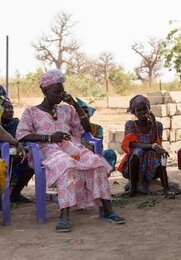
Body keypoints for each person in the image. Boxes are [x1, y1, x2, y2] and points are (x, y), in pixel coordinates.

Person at [16, 69, 125, 232]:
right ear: (45, 91)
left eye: (63, 91)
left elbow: (87, 128)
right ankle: (64, 215)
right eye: (56, 91)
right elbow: (21, 135)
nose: (61, 95)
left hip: (72, 147)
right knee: (67, 165)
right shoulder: (31, 111)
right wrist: (49, 138)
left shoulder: (67, 110)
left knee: (96, 161)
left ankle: (108, 210)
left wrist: (74, 104)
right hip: (47, 151)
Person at [118, 94, 174, 198]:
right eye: (139, 110)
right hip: (134, 163)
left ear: (149, 109)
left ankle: (167, 188)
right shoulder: (130, 125)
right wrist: (152, 146)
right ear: (134, 112)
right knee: (137, 151)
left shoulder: (158, 125)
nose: (143, 112)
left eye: (145, 109)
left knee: (162, 155)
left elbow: (154, 141)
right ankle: (133, 188)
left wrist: (153, 123)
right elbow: (133, 144)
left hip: (152, 165)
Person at [0, 91, 34, 203]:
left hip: (18, 155)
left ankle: (15, 193)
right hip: (4, 155)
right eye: (6, 108)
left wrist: (20, 146)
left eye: (12, 108)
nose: (10, 110)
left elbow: (22, 138)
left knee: (31, 163)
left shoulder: (16, 123)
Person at [76, 98, 117, 170]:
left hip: (95, 154)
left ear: (89, 114)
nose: (84, 115)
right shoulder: (73, 128)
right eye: (81, 112)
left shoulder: (97, 128)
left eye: (86, 112)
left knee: (110, 153)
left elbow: (99, 147)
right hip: (77, 156)